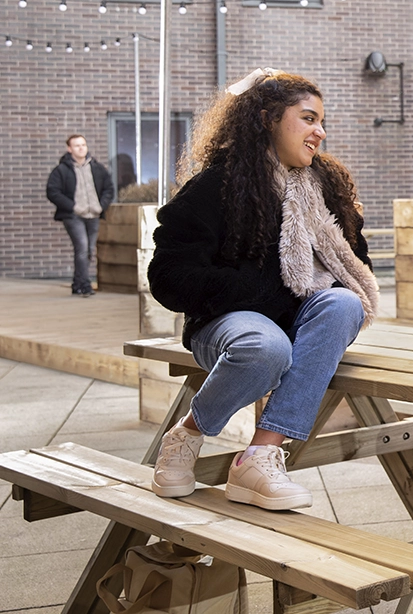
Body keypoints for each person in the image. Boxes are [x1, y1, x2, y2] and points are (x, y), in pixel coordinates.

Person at [146, 68, 380, 511]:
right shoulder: (217, 185)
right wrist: (263, 290)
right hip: (227, 322)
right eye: (308, 119)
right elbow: (169, 277)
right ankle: (188, 434)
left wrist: (306, 291)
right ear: (268, 118)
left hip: (303, 324)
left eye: (321, 121)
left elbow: (356, 265)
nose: (320, 132)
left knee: (344, 302)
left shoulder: (327, 187)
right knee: (266, 346)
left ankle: (259, 455)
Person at [46, 134, 114, 296]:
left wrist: (101, 206)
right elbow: (52, 191)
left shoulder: (97, 168)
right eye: (77, 145)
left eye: (83, 144)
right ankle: (85, 285)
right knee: (82, 248)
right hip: (73, 216)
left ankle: (77, 284)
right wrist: (73, 206)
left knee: (89, 250)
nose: (81, 148)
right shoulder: (61, 170)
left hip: (94, 215)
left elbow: (109, 188)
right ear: (69, 149)